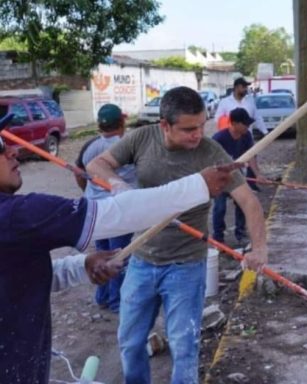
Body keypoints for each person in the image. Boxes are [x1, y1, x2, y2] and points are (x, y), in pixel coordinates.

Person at [0, 128, 234, 384]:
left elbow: (18, 278)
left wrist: (83, 265)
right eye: (1, 148)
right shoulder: (15, 215)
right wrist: (198, 185)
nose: (13, 151)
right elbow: (117, 213)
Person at [87, 86, 268, 384]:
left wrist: (259, 248)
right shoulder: (142, 138)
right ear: (164, 126)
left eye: (201, 125)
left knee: (185, 347)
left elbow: (248, 201)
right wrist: (117, 183)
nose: (198, 134)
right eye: (188, 129)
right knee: (131, 343)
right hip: (142, 260)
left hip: (186, 266)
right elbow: (97, 164)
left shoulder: (211, 152)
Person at [75, 103, 137, 313]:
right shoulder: (127, 146)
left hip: (95, 210)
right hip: (118, 210)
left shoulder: (90, 146)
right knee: (118, 256)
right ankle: (116, 301)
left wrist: (91, 193)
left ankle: (102, 297)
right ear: (121, 122)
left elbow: (79, 173)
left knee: (102, 254)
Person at [211, 108, 267, 245]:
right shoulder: (219, 138)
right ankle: (218, 238)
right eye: (245, 124)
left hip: (236, 175)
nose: (248, 127)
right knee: (220, 207)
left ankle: (240, 234)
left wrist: (258, 175)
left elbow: (251, 157)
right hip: (220, 177)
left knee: (242, 203)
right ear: (234, 123)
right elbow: (209, 162)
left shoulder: (246, 136)